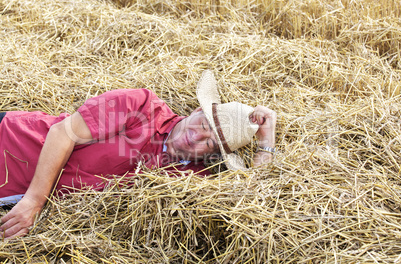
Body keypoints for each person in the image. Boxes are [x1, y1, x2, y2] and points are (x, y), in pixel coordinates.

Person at [0, 70, 276, 239]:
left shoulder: (191, 174)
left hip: (12, 197)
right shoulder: (141, 106)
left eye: (212, 144)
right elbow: (63, 133)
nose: (198, 137)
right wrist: (34, 201)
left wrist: (266, 140)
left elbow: (254, 205)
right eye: (204, 125)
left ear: (214, 156)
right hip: (11, 143)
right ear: (195, 111)